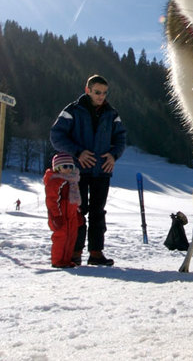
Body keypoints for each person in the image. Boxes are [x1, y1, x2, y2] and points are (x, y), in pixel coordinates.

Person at [50, 75, 127, 266]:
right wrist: (77, 152)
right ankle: (75, 252)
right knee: (78, 212)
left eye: (104, 93)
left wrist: (113, 155)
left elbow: (121, 139)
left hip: (102, 170)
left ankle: (96, 253)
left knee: (98, 212)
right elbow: (56, 136)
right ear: (87, 90)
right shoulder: (72, 110)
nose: (101, 96)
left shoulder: (112, 113)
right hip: (77, 172)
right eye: (97, 92)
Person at [44, 152, 84, 268]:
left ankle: (66, 259)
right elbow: (51, 199)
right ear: (57, 168)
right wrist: (56, 215)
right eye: (65, 167)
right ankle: (57, 260)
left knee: (71, 237)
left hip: (70, 215)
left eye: (71, 167)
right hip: (60, 216)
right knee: (61, 238)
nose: (68, 169)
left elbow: (75, 200)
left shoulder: (72, 180)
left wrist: (78, 214)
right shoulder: (56, 181)